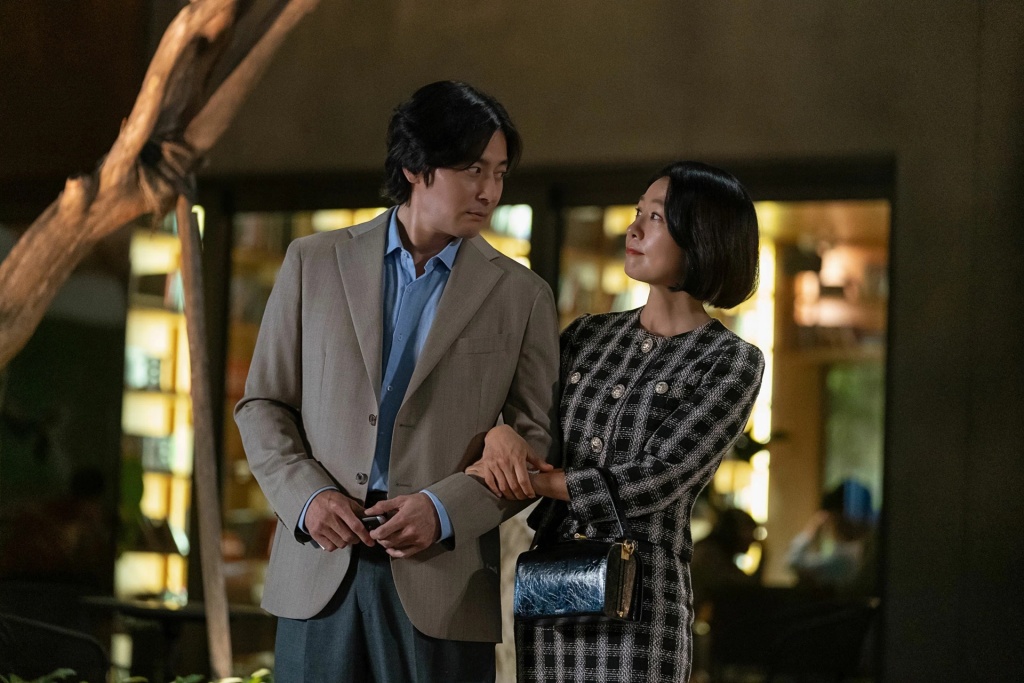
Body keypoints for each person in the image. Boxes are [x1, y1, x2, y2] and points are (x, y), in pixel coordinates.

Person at [235, 80, 560, 682]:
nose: (490, 192)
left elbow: (534, 443)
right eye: (472, 170)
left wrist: (443, 510)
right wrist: (306, 498)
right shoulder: (313, 262)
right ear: (414, 167)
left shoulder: (522, 296)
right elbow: (262, 404)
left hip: (443, 580)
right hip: (320, 569)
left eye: (499, 173)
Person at [468, 161, 765, 682]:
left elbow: (655, 480)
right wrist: (499, 436)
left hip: (641, 609)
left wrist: (535, 481)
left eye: (656, 218)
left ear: (702, 237)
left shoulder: (731, 361)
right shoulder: (586, 335)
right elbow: (525, 419)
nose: (633, 229)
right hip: (551, 590)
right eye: (637, 212)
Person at [787, 479, 875, 595]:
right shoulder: (863, 549)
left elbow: (794, 562)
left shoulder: (844, 560)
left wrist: (811, 531)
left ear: (836, 517)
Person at [690, 507, 760, 610]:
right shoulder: (708, 555)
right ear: (732, 531)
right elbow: (740, 588)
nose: (753, 539)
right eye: (749, 531)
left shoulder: (710, 551)